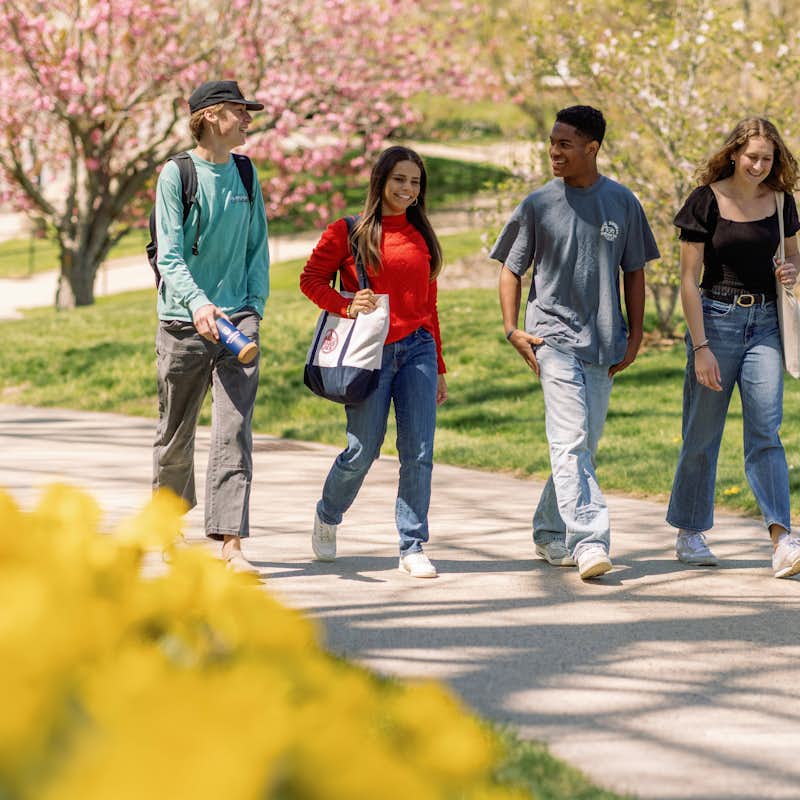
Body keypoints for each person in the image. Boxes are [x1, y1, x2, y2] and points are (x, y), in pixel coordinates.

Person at [491, 105, 660, 580]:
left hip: (605, 342)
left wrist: (636, 334)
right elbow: (511, 268)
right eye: (552, 142)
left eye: (565, 144)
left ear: (593, 148)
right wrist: (512, 328)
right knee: (570, 441)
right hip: (553, 336)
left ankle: (548, 532)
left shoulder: (623, 203)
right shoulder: (538, 204)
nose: (554, 152)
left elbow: (634, 272)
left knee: (583, 444)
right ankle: (589, 539)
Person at [300, 146, 447, 578]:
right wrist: (346, 305)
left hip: (417, 347)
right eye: (399, 179)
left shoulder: (421, 235)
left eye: (415, 182)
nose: (407, 189)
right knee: (362, 450)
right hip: (370, 351)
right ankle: (328, 513)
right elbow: (309, 280)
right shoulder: (348, 231)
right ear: (380, 181)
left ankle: (412, 544)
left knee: (418, 451)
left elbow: (428, 303)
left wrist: (438, 364)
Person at [667, 117, 800, 579]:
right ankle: (689, 530)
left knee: (766, 429)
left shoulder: (781, 202)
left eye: (767, 158)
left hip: (765, 323)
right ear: (733, 154)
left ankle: (782, 538)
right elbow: (688, 278)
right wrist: (700, 345)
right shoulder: (706, 200)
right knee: (702, 433)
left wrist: (792, 271)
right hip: (716, 320)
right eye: (752, 157)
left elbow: (793, 254)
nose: (760, 166)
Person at [152, 80, 269, 574]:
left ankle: (230, 543)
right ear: (214, 116)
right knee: (176, 431)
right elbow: (170, 254)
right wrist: (198, 303)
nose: (249, 120)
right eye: (241, 112)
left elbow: (257, 246)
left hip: (237, 319)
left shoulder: (245, 172)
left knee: (234, 430)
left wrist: (254, 308)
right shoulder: (176, 174)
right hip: (184, 321)